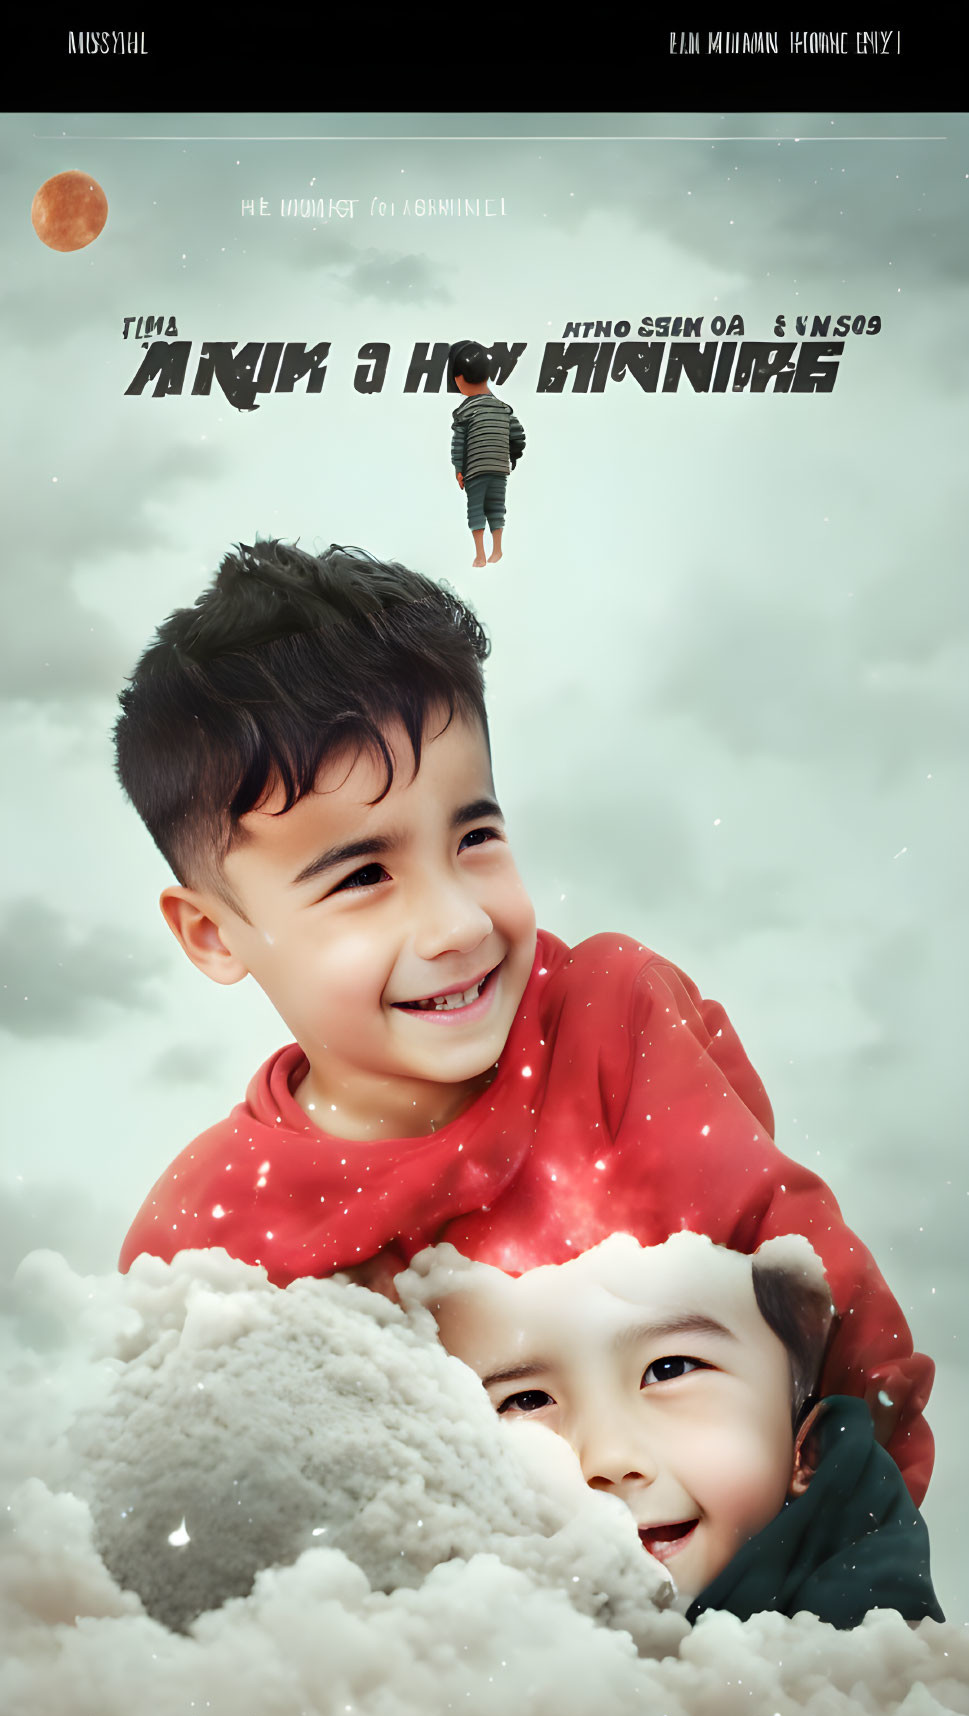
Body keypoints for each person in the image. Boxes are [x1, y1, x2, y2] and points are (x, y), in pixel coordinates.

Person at [114, 537, 935, 1508]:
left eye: (475, 835)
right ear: (214, 933)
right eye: (364, 875)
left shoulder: (610, 1029)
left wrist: (841, 1559)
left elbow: (820, 1307)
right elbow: (188, 1508)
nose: (458, 922)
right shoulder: (209, 1235)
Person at [396, 1232, 944, 1627]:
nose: (608, 1459)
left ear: (810, 1452)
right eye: (526, 1399)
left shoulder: (875, 1678)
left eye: (670, 1369)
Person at [448, 339, 525, 568]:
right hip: (499, 468)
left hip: (476, 469)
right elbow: (518, 435)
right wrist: (514, 455)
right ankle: (498, 549)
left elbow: (459, 444)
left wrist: (459, 469)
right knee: (496, 506)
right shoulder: (504, 408)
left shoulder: (464, 412)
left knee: (476, 509)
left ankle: (480, 554)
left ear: (459, 379)